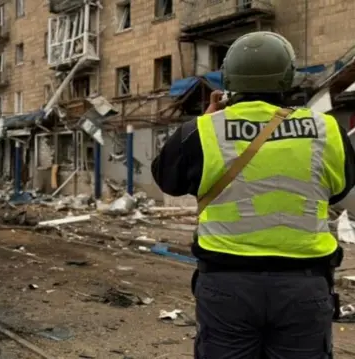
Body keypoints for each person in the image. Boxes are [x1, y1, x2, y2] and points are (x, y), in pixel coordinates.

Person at [151, 31, 355, 359]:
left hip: (228, 287)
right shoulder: (326, 129)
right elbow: (340, 189)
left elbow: (168, 179)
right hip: (303, 286)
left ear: (230, 79)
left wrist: (208, 117)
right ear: (289, 79)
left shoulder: (202, 131)